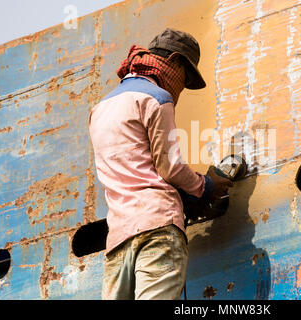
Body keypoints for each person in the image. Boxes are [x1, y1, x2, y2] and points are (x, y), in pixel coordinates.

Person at [88, 28, 233, 300]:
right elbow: (171, 168)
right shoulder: (156, 98)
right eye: (186, 78)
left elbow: (137, 171)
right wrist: (206, 186)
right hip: (158, 233)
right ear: (176, 62)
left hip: (118, 241)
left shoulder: (99, 110)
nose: (182, 88)